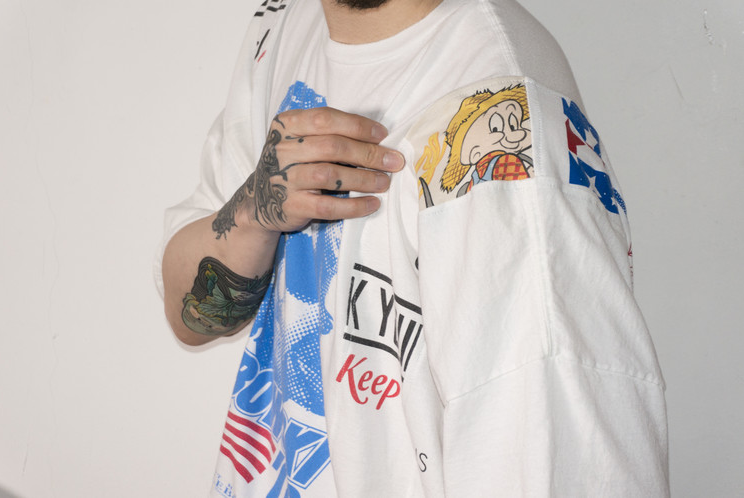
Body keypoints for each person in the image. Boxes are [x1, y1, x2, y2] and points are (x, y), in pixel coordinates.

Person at [155, 0, 669, 495]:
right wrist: (252, 212)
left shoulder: (501, 130)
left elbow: (552, 464)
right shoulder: (287, 21)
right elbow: (189, 317)